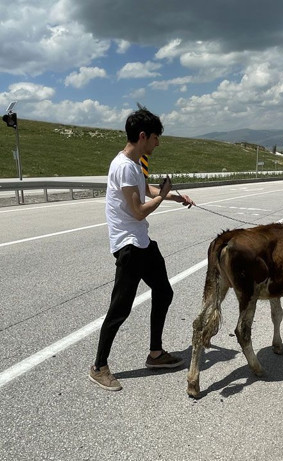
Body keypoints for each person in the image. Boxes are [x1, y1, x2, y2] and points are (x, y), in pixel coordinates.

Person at [89, 108, 196, 391]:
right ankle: (99, 366)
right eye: (156, 138)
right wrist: (162, 195)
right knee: (120, 309)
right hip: (129, 246)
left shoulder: (135, 164)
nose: (158, 143)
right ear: (142, 136)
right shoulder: (123, 166)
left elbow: (145, 189)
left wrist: (173, 197)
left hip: (142, 244)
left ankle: (156, 354)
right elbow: (137, 211)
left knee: (164, 291)